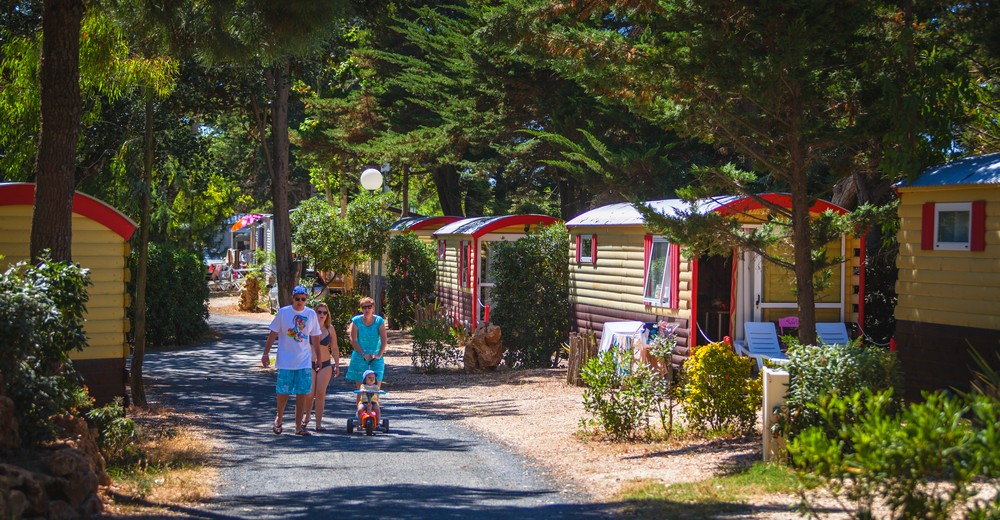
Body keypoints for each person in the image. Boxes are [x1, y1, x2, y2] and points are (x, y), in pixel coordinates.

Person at [262, 286, 322, 436]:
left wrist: (319, 358)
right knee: (283, 392)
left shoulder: (311, 314)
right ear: (292, 298)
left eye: (303, 299)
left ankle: (298, 426)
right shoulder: (283, 313)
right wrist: (266, 353)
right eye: (297, 299)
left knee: (302, 392)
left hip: (304, 360)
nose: (300, 302)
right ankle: (279, 418)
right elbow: (273, 333)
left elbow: (315, 337)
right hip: (286, 361)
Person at [304, 302, 340, 432]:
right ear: (315, 313)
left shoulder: (330, 329)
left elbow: (334, 348)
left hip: (325, 364)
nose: (322, 315)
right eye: (319, 312)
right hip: (310, 363)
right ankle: (306, 417)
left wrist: (337, 364)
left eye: (324, 313)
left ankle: (318, 423)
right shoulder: (308, 327)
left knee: (320, 393)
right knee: (309, 394)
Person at [346, 296, 388, 393]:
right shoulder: (356, 321)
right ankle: (360, 408)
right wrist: (363, 353)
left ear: (373, 308)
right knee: (361, 392)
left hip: (375, 358)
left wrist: (379, 355)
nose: (367, 309)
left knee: (375, 391)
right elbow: (353, 339)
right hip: (360, 357)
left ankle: (375, 408)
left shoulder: (379, 321)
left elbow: (384, 339)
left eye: (369, 307)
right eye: (364, 307)